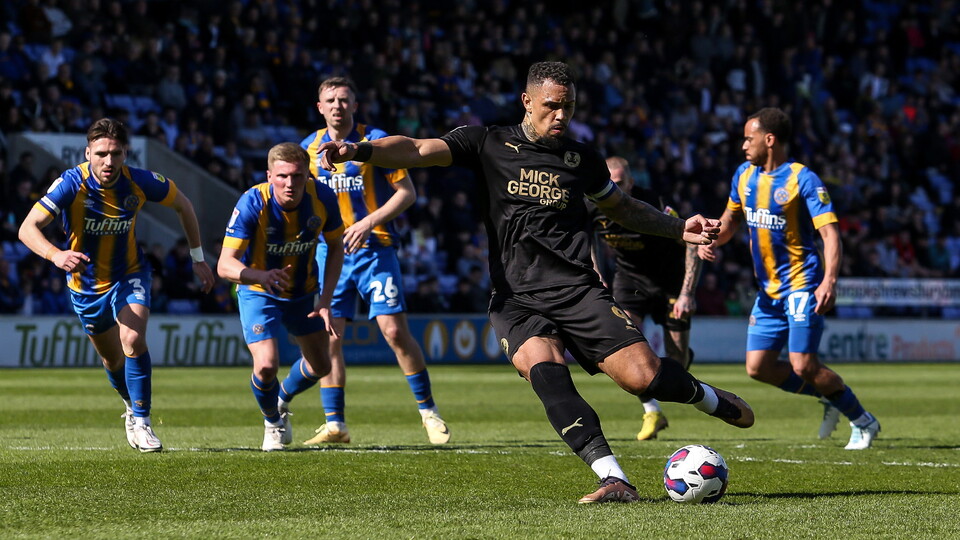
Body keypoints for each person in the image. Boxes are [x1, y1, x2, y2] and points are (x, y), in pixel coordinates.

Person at [315, 62, 753, 504]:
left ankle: (705, 396)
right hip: (515, 299)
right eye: (552, 107)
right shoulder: (486, 142)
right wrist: (360, 151)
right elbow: (414, 149)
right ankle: (613, 478)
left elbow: (622, 207)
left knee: (643, 379)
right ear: (527, 101)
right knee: (547, 374)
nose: (561, 116)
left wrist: (679, 230)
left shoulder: (581, 159)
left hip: (578, 290)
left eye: (569, 107)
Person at [18, 118, 215, 452]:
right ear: (87, 152)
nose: (108, 162)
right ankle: (128, 404)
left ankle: (143, 422)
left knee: (133, 338)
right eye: (101, 154)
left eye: (116, 154)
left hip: (130, 273)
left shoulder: (140, 182)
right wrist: (55, 255)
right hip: (86, 285)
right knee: (112, 360)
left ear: (126, 154)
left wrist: (197, 258)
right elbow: (27, 228)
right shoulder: (70, 184)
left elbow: (185, 205)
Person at [699, 107, 880, 450]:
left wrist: (829, 281)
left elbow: (830, 235)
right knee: (758, 367)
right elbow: (729, 223)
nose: (742, 146)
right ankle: (830, 396)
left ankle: (863, 420)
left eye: (748, 138)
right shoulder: (743, 175)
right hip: (768, 293)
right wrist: (709, 239)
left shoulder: (802, 179)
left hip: (802, 286)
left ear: (769, 140)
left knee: (803, 364)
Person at [291, 77, 450, 445]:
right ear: (319, 107)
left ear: (355, 104)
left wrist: (368, 221)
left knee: (394, 331)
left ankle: (428, 412)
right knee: (330, 337)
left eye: (344, 99)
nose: (337, 105)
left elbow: (406, 194)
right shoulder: (308, 148)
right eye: (330, 100)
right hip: (329, 254)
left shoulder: (373, 141)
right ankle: (335, 424)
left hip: (375, 249)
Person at [217, 142, 344, 452]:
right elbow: (224, 264)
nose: (290, 184)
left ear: (308, 176)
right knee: (266, 365)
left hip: (303, 294)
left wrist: (326, 300)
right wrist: (260, 276)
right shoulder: (252, 202)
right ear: (269, 176)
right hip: (260, 292)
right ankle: (273, 422)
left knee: (321, 367)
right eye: (283, 176)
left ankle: (282, 397)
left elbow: (337, 247)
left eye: (298, 176)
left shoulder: (323, 198)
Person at [589, 156, 702, 441]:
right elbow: (583, 237)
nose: (615, 188)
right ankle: (652, 411)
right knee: (626, 350)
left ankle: (683, 358)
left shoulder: (654, 202)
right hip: (630, 281)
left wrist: (687, 293)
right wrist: (595, 271)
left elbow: (691, 238)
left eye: (620, 182)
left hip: (670, 283)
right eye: (610, 183)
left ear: (631, 181)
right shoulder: (593, 204)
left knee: (677, 361)